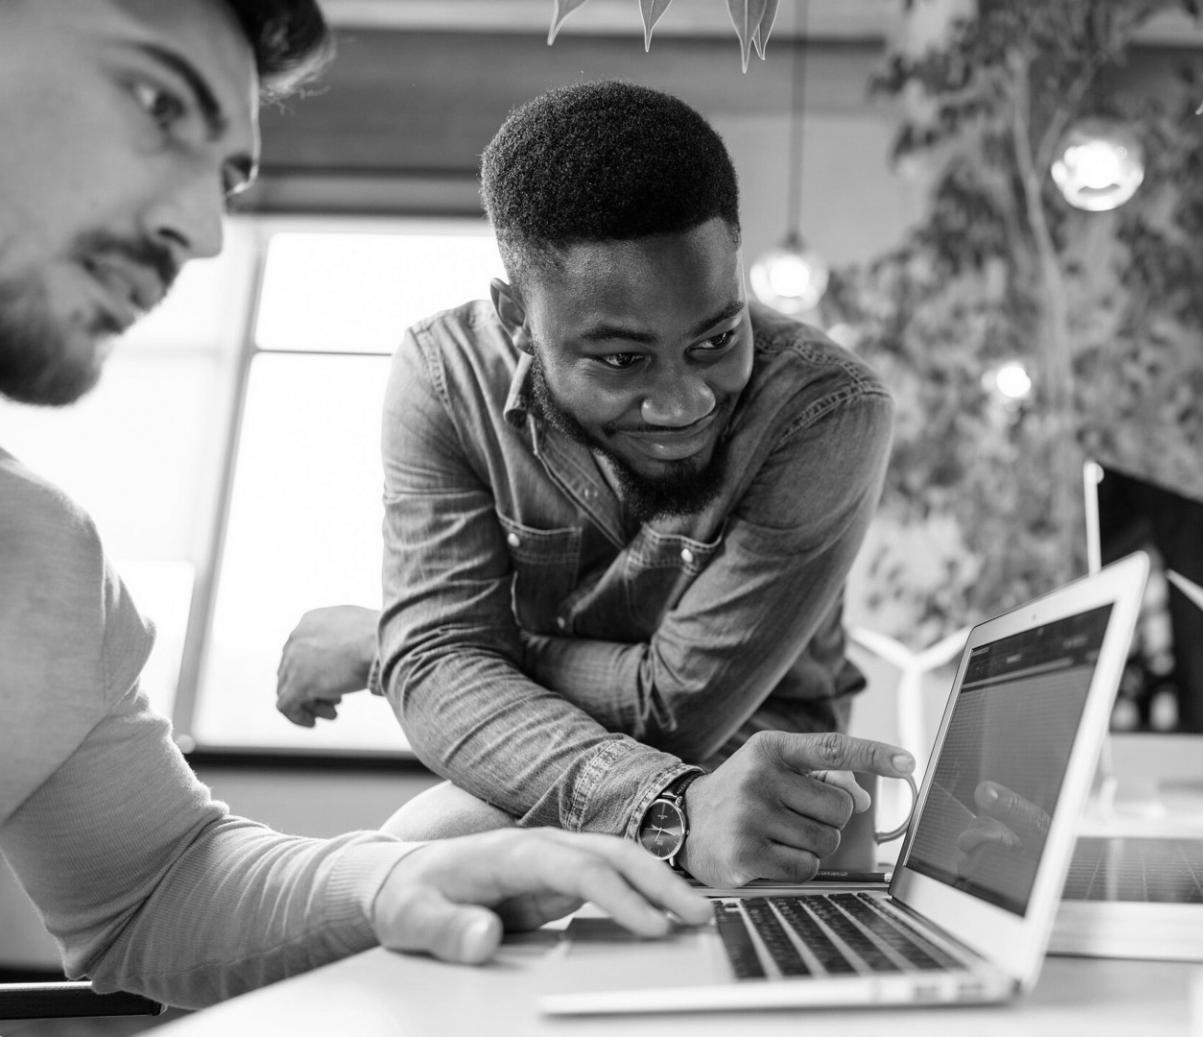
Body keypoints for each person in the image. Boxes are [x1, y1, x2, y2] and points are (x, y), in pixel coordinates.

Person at [0, 0, 713, 1011]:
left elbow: (154, 891)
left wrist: (394, 878)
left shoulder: (43, 560)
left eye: (226, 178)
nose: (200, 233)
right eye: (157, 101)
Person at [278, 81, 914, 890]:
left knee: (436, 845)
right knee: (420, 860)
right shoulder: (446, 379)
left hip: (774, 797)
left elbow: (676, 709)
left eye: (717, 336)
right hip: (566, 761)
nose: (685, 402)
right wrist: (431, 655)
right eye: (621, 359)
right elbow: (444, 659)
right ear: (516, 319)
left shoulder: (826, 411)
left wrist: (395, 647)